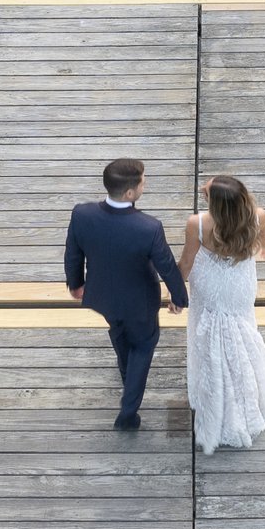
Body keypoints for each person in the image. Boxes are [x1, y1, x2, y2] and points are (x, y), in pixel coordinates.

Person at [63, 157, 188, 431]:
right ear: (130, 193)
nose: (145, 183)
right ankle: (128, 413)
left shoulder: (82, 214)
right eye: (143, 180)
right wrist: (178, 297)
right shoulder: (149, 227)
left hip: (102, 297)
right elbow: (166, 266)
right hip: (139, 303)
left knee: (119, 333)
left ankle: (125, 371)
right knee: (143, 346)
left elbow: (73, 252)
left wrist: (75, 283)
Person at [179, 174, 265, 455]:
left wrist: (176, 295)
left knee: (209, 332)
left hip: (209, 285)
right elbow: (263, 245)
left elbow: (187, 263)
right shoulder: (258, 216)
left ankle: (216, 393)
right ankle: (248, 391)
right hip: (240, 283)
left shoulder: (198, 224)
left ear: (216, 204)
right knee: (243, 330)